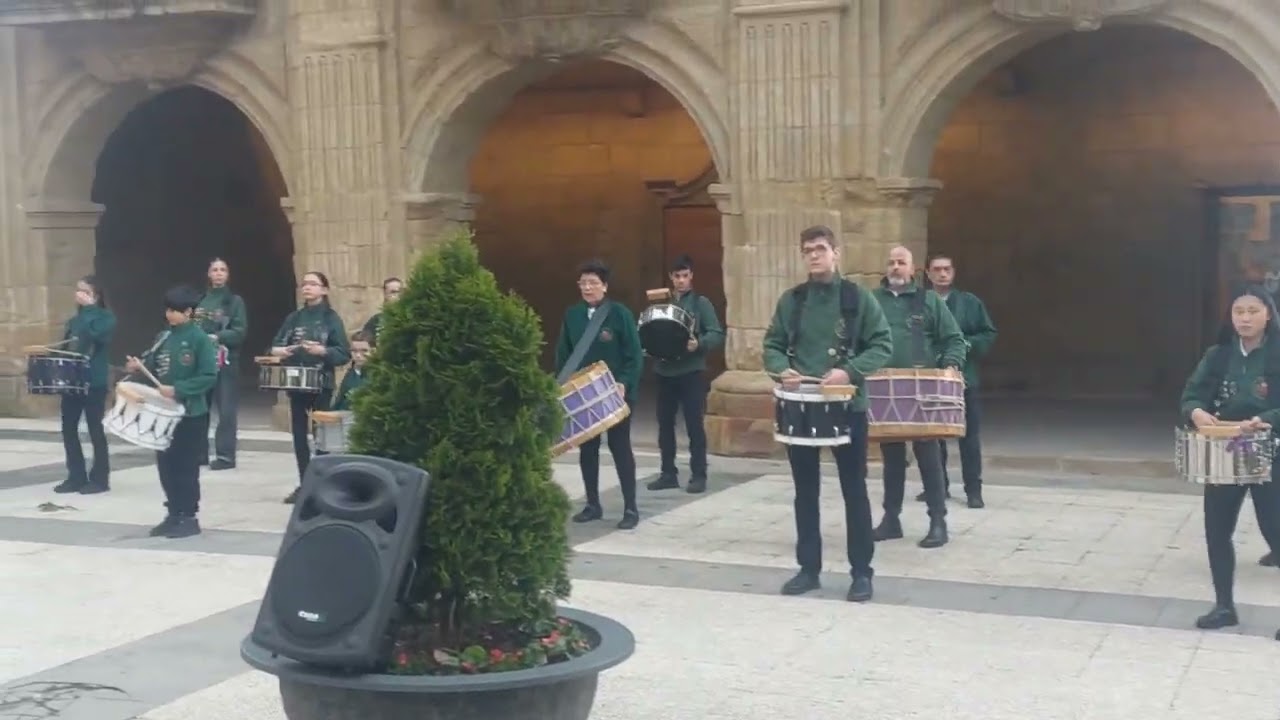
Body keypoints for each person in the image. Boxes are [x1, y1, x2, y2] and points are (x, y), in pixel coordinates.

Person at [762, 225, 893, 601]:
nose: (814, 255)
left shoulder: (857, 298)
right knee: (805, 491)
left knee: (854, 490)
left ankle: (861, 573)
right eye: (807, 250)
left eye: (820, 248)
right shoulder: (793, 300)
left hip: (847, 405)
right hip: (801, 405)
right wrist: (780, 369)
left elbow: (882, 343)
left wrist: (848, 371)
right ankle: (808, 568)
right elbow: (771, 344)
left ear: (836, 252)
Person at [1178, 285, 1280, 631]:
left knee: (1275, 529)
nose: (1245, 318)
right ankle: (1224, 607)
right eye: (1239, 311)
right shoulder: (1219, 355)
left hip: (1269, 446)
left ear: (1268, 313)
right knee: (1217, 529)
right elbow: (1192, 393)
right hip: (1225, 448)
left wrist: (1267, 419)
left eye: (1253, 310)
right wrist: (1196, 413)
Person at [871, 246, 966, 549]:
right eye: (891, 262)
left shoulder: (929, 301)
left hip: (922, 389)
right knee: (892, 459)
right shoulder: (872, 301)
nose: (896, 267)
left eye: (902, 263)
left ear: (913, 270)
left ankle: (938, 521)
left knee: (929, 457)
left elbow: (954, 339)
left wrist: (951, 365)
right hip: (885, 391)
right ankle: (891, 519)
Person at [554, 259, 643, 530]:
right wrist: (562, 385)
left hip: (614, 393)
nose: (587, 288)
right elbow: (563, 354)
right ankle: (593, 504)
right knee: (588, 449)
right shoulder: (572, 315)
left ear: (605, 286)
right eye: (583, 283)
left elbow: (634, 355)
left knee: (620, 448)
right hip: (583, 394)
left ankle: (630, 508)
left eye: (593, 283)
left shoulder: (619, 315)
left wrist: (624, 383)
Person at [124, 285, 218, 539]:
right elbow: (151, 366)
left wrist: (178, 389)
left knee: (186, 466)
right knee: (165, 465)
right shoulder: (163, 338)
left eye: (174, 311)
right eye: (167, 310)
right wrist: (137, 367)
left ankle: (188, 516)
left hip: (190, 413)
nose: (169, 315)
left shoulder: (200, 339)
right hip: (163, 413)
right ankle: (173, 511)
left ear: (188, 312)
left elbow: (209, 376)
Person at [269, 271, 351, 503]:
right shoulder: (294, 318)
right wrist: (282, 351)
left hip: (321, 383)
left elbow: (343, 352)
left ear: (324, 290)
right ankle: (305, 483)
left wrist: (322, 351)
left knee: (321, 435)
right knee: (298, 435)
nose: (307, 288)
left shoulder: (331, 318)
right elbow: (275, 345)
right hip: (296, 383)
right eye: (304, 284)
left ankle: (323, 484)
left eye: (313, 284)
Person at [647, 254, 724, 495]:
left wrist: (698, 344)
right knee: (665, 426)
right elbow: (649, 330)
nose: (681, 280)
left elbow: (717, 334)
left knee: (694, 425)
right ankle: (668, 473)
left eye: (685, 276)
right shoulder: (660, 303)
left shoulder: (701, 303)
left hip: (691, 371)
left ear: (691, 276)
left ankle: (698, 475)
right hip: (665, 371)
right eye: (676, 276)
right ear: (670, 277)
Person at [924, 254, 997, 508]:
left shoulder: (969, 303)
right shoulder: (920, 303)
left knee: (969, 436)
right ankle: (938, 486)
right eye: (937, 269)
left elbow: (988, 334)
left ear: (953, 272)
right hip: (931, 378)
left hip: (965, 378)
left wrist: (967, 345)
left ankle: (973, 490)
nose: (942, 274)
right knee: (932, 437)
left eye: (947, 269)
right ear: (927, 273)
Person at [53, 275, 116, 495]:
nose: (78, 294)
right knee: (68, 428)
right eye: (77, 290)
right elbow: (69, 346)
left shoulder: (105, 318)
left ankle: (100, 477)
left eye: (84, 291)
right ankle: (75, 475)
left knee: (94, 428)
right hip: (73, 379)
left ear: (95, 295)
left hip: (94, 380)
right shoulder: (73, 321)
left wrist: (89, 309)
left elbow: (94, 337)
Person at [194, 258, 248, 471]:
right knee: (199, 408)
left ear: (228, 275)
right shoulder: (200, 300)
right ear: (208, 273)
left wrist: (217, 337)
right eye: (214, 270)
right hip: (201, 362)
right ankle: (199, 453)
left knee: (226, 410)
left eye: (222, 270)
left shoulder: (234, 302)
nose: (218, 273)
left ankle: (225, 456)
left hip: (225, 361)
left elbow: (240, 331)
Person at [331, 330, 370, 412]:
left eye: (364, 351)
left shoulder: (380, 375)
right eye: (354, 351)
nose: (358, 355)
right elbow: (339, 403)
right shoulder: (349, 377)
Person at [360, 277, 403, 347]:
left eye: (400, 292)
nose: (397, 296)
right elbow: (364, 343)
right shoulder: (376, 321)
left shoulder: (412, 318)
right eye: (393, 292)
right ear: (385, 295)